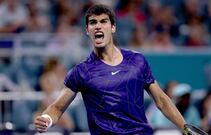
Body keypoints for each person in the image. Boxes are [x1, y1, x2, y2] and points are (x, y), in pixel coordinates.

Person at [34, 4, 189, 135]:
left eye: (103, 21)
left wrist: (186, 129)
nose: (98, 26)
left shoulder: (137, 60)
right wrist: (47, 119)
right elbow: (57, 107)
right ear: (88, 30)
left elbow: (162, 100)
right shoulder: (81, 71)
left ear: (113, 27)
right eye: (93, 22)